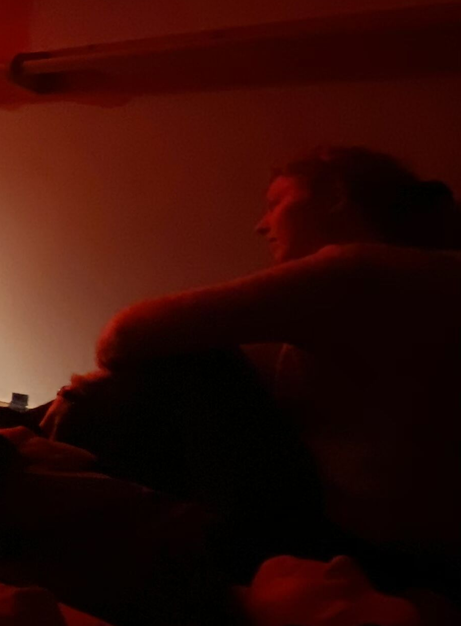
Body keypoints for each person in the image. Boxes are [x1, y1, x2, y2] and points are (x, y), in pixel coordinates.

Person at [55, 147, 461, 581]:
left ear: (335, 195)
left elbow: (124, 336)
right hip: (410, 545)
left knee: (188, 357)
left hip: (372, 553)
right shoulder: (421, 277)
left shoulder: (357, 271)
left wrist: (83, 396)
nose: (261, 224)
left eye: (276, 203)